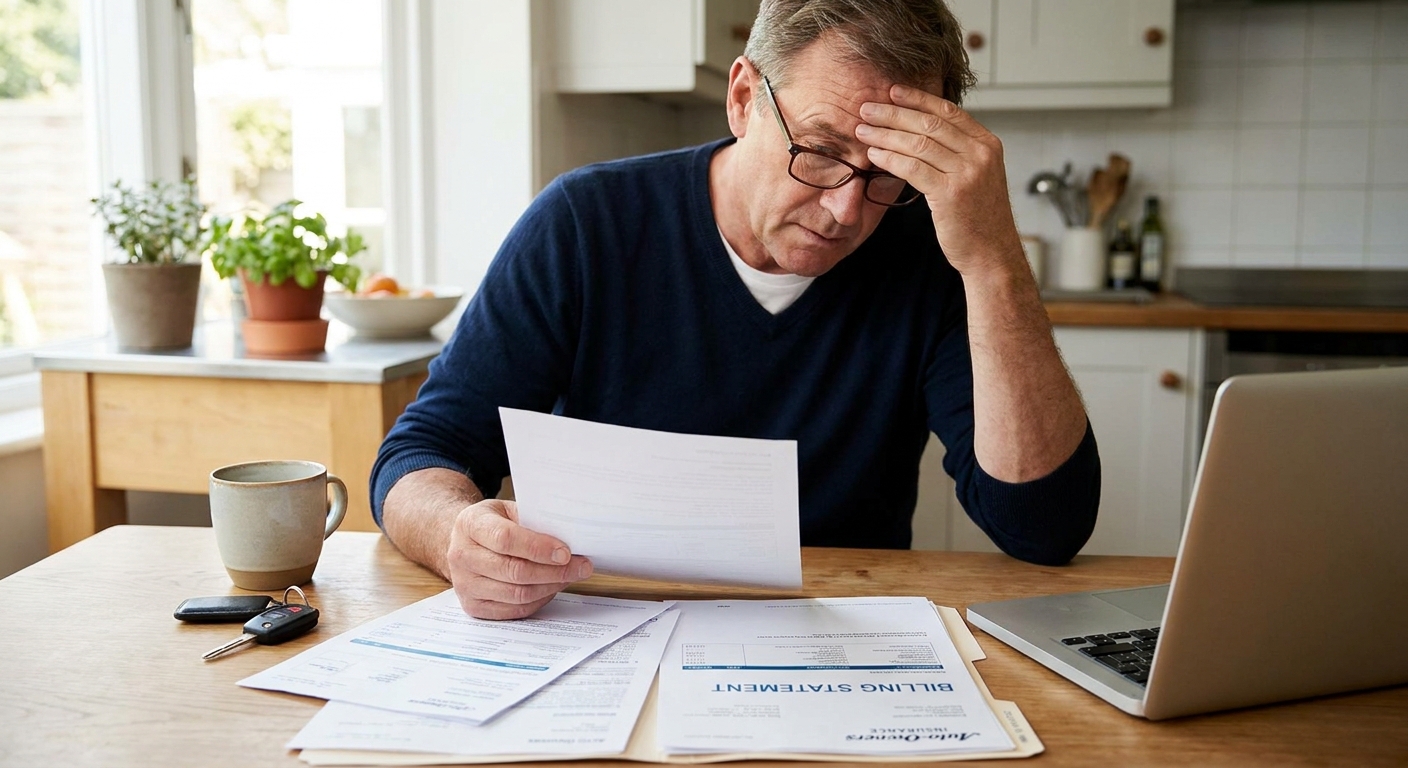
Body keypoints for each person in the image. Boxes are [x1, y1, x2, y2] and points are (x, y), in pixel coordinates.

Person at [372, 0, 1100, 620]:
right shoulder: (586, 224)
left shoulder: (931, 255)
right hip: (601, 624)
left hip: (836, 639)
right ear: (744, 98)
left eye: (887, 174)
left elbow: (1042, 529)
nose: (847, 209)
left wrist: (994, 258)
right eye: (820, 150)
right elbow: (420, 454)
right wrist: (455, 535)